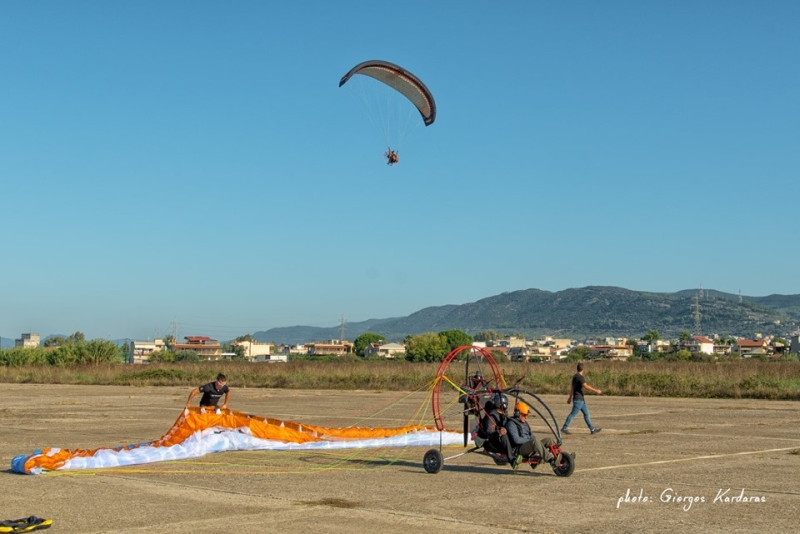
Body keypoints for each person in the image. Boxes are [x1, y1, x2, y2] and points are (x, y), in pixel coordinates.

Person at [505, 401, 558, 469]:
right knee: (534, 441)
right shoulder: (511, 424)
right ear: (517, 413)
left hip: (530, 446)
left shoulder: (524, 423)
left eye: (527, 415)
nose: (526, 417)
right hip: (520, 450)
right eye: (524, 415)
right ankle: (551, 460)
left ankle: (559, 457)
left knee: (549, 440)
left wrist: (533, 439)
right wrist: (529, 439)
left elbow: (532, 436)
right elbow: (516, 440)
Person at [562, 363, 602, 435]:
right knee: (573, 414)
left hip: (580, 399)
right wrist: (596, 391)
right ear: (583, 369)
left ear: (577, 368)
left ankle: (592, 429)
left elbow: (572, 388)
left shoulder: (575, 377)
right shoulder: (580, 377)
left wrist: (570, 397)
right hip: (578, 399)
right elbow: (585, 386)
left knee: (586, 414)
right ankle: (565, 427)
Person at [479, 393, 516, 463]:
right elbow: (489, 431)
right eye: (504, 403)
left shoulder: (503, 414)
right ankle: (512, 459)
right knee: (504, 436)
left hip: (501, 440)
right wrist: (498, 431)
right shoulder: (492, 416)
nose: (506, 405)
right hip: (494, 441)